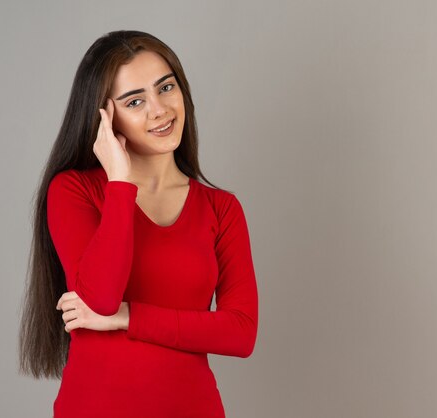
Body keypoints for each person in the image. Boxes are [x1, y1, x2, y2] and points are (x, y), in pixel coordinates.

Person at [18, 30, 259, 418]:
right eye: (135, 100)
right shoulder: (74, 191)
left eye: (166, 87)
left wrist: (127, 317)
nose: (159, 109)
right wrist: (119, 185)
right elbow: (99, 298)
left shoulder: (222, 208)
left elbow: (240, 332)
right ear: (104, 117)